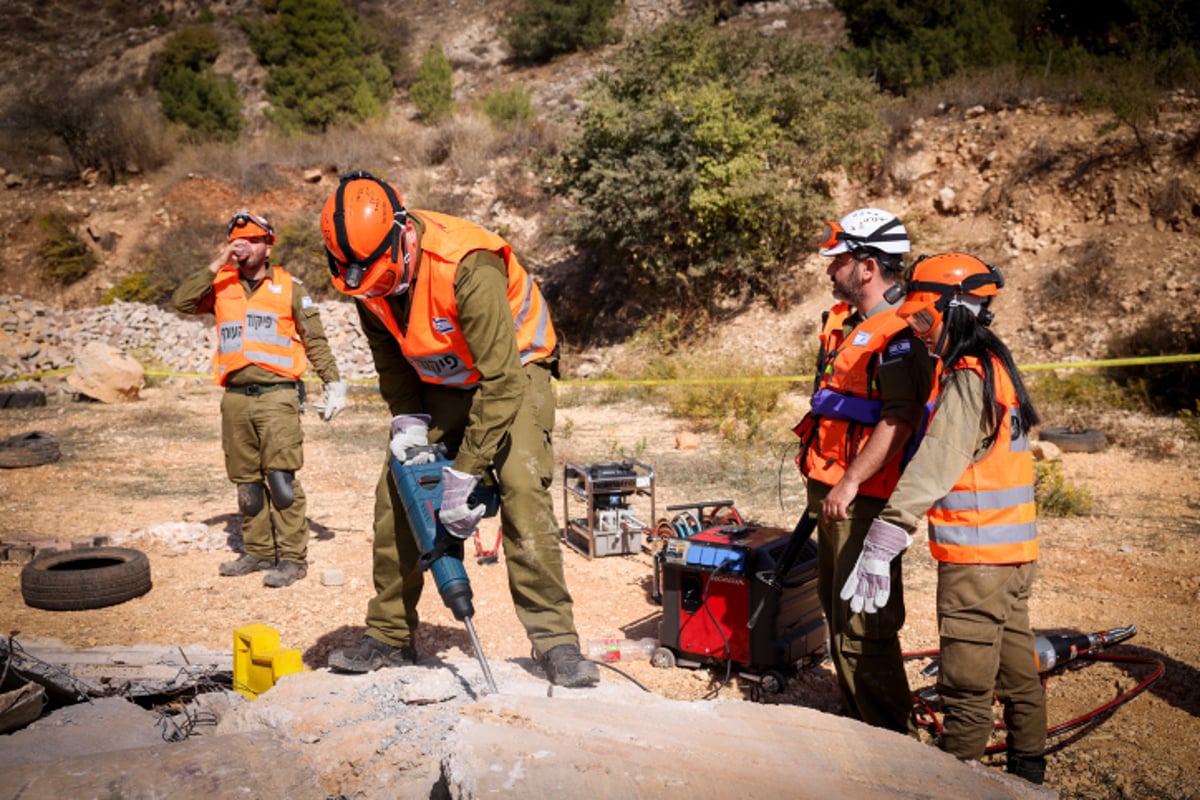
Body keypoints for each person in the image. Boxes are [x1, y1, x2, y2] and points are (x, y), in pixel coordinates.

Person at [318, 170, 598, 688]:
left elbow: (502, 380)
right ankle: (389, 635)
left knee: (519, 489)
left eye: (382, 276)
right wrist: (407, 420)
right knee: (399, 492)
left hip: (515, 373)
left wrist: (464, 475)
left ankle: (556, 642)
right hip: (439, 380)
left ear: (402, 235)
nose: (374, 289)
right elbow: (392, 361)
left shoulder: (467, 266)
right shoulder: (362, 276)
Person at [840, 252, 1047, 784]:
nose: (919, 331)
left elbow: (933, 468)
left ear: (953, 311)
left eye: (923, 319)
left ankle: (954, 784)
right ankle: (1028, 775)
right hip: (1012, 558)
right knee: (1016, 670)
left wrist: (884, 538)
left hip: (977, 561)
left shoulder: (970, 378)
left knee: (965, 686)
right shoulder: (997, 369)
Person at [792, 207, 934, 734]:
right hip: (835, 495)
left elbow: (899, 420)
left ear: (868, 266)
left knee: (863, 627)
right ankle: (858, 723)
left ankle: (890, 743)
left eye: (840, 262)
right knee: (841, 615)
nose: (831, 272)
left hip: (864, 499)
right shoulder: (851, 324)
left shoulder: (900, 332)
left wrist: (850, 481)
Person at [173, 210, 347, 588]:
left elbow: (314, 339)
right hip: (235, 399)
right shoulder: (220, 284)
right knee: (247, 485)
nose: (243, 245)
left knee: (281, 482)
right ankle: (257, 551)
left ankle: (292, 559)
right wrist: (218, 262)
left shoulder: (289, 287)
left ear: (269, 245)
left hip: (277, 397)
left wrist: (333, 382)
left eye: (253, 239)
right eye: (237, 239)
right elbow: (182, 302)